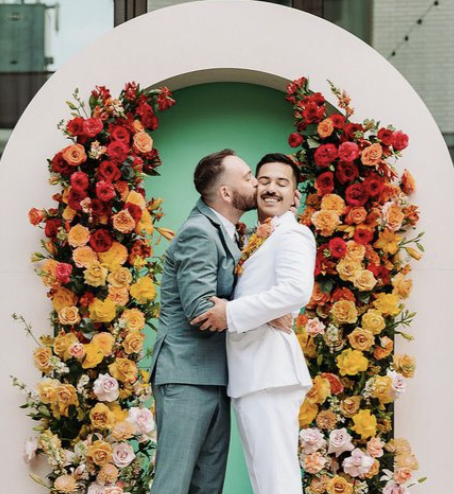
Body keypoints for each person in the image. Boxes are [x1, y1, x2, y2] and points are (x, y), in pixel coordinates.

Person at [149, 149, 291, 494]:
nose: (256, 183)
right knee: (174, 484)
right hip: (186, 376)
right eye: (247, 178)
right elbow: (201, 310)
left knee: (207, 486)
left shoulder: (230, 232)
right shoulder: (199, 232)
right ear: (226, 193)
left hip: (215, 376)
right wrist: (266, 312)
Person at [191, 153, 316, 494]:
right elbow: (266, 292)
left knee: (277, 480)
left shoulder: (293, 234)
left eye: (282, 183)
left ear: (295, 196)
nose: (271, 189)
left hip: (269, 373)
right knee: (266, 480)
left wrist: (230, 313)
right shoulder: (259, 236)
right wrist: (262, 309)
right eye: (264, 181)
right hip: (252, 374)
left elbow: (295, 290)